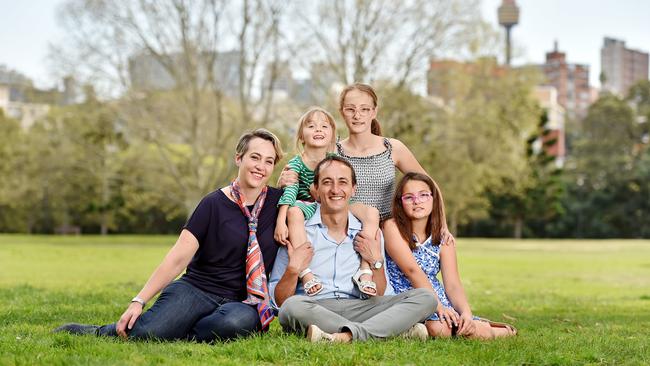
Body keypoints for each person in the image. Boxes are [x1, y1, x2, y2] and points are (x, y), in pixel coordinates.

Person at [55, 129, 285, 342]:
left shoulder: (280, 203)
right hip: (199, 289)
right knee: (148, 332)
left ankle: (179, 329)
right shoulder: (212, 204)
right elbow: (178, 257)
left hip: (244, 300)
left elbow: (318, 181)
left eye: (269, 161)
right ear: (239, 159)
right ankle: (102, 331)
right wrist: (139, 300)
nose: (261, 167)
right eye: (255, 157)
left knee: (235, 322)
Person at [270, 155, 436, 343]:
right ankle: (384, 330)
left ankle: (344, 336)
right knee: (291, 308)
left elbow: (379, 292)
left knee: (426, 297)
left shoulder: (368, 231)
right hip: (315, 307)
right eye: (327, 182)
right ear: (315, 189)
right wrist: (293, 269)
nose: (335, 190)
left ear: (353, 189)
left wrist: (376, 263)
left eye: (343, 182)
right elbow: (280, 302)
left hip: (362, 307)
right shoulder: (297, 230)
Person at [384, 172, 518, 339]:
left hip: (437, 296)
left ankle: (486, 328)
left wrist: (466, 313)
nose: (417, 201)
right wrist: (438, 307)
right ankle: (478, 329)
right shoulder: (392, 227)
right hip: (407, 297)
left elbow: (453, 284)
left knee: (455, 326)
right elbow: (412, 271)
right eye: (409, 197)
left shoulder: (443, 238)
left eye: (423, 195)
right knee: (439, 329)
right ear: (400, 202)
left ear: (434, 199)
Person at [274, 107, 380, 298]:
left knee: (372, 213)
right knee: (294, 213)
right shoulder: (296, 164)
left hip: (339, 204)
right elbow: (289, 194)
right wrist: (281, 220)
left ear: (332, 136)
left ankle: (365, 270)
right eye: (312, 126)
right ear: (301, 136)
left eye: (324, 126)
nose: (318, 130)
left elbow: (344, 187)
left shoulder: (335, 161)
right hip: (309, 208)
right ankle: (306, 273)